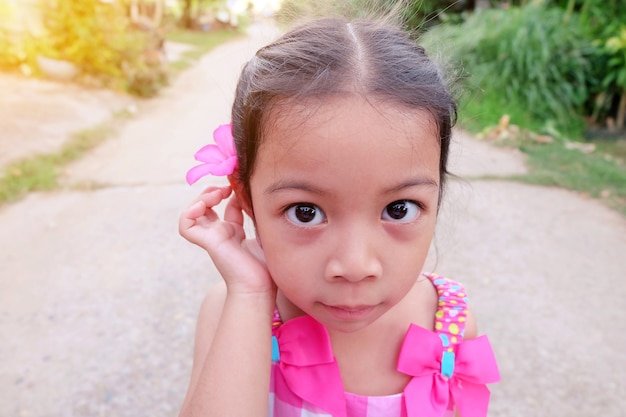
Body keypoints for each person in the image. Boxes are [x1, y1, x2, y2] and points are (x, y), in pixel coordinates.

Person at [178, 10, 500, 417]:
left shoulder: (449, 327)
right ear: (246, 200)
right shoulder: (233, 310)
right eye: (306, 212)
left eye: (398, 209)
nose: (354, 265)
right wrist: (250, 294)